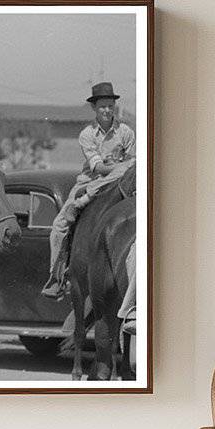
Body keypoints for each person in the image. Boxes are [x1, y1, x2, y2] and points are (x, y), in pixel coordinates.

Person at [41, 81, 136, 298]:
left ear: (115, 107)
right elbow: (98, 167)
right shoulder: (87, 134)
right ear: (94, 108)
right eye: (102, 106)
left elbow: (133, 162)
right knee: (59, 225)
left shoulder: (126, 132)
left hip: (121, 180)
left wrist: (122, 167)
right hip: (89, 181)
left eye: (110, 106)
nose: (107, 110)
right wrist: (119, 166)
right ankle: (57, 276)